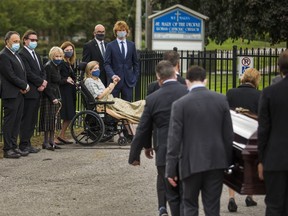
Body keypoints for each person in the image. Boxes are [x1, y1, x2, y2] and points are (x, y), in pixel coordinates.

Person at [166, 65, 233, 216]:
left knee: (189, 205)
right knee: (212, 207)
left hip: (190, 162)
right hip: (216, 162)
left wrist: (171, 169)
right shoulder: (221, 100)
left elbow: (174, 139)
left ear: (187, 81)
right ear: (206, 81)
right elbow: (228, 135)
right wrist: (227, 162)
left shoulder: (180, 105)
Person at [129, 60, 188, 216]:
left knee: (167, 184)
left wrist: (136, 153)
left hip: (163, 147)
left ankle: (166, 209)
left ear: (158, 77)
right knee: (185, 186)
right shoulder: (188, 92)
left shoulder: (153, 98)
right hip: (187, 147)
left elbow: (143, 128)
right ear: (175, 74)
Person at [226, 68, 261, 212]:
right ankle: (249, 196)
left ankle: (231, 198)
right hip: (251, 134)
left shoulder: (231, 93)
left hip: (234, 134)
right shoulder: (260, 95)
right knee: (250, 163)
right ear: (256, 80)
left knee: (233, 164)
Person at [257, 49, 288, 216]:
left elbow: (263, 128)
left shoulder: (269, 92)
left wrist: (261, 159)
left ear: (279, 68)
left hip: (275, 158)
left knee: (275, 205)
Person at [0, 31, 30, 158]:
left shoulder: (16, 54)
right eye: (15, 41)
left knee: (17, 121)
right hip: (10, 94)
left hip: (19, 93)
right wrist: (24, 86)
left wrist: (23, 86)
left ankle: (14, 146)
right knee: (10, 122)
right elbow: (10, 75)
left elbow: (21, 73)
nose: (17, 44)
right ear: (7, 41)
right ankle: (7, 149)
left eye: (18, 41)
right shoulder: (4, 55)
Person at [18, 29, 47, 154]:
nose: (34, 42)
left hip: (38, 91)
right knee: (27, 118)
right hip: (30, 91)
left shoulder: (36, 54)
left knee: (33, 118)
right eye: (32, 40)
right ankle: (23, 144)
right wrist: (40, 82)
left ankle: (28, 143)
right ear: (25, 40)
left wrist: (44, 81)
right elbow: (28, 73)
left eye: (36, 40)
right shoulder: (22, 54)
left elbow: (42, 70)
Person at [104, 20, 139, 102]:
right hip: (114, 82)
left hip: (128, 82)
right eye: (119, 30)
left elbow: (136, 63)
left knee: (127, 106)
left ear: (127, 32)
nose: (121, 32)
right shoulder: (110, 46)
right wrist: (112, 75)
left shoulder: (131, 45)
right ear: (116, 32)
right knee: (113, 105)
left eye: (123, 30)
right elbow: (106, 64)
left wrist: (135, 77)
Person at [39, 46, 63, 151]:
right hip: (49, 96)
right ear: (52, 56)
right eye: (56, 56)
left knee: (54, 120)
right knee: (48, 120)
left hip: (56, 94)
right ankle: (45, 142)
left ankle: (52, 141)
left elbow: (58, 81)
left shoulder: (57, 66)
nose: (58, 58)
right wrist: (52, 97)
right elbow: (46, 84)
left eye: (60, 56)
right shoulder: (48, 66)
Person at [54, 41, 77, 145]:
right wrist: (66, 80)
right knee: (63, 114)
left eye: (71, 50)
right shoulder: (62, 64)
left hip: (70, 90)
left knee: (69, 115)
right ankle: (56, 136)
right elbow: (58, 78)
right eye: (67, 50)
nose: (69, 52)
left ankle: (62, 135)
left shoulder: (69, 63)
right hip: (64, 91)